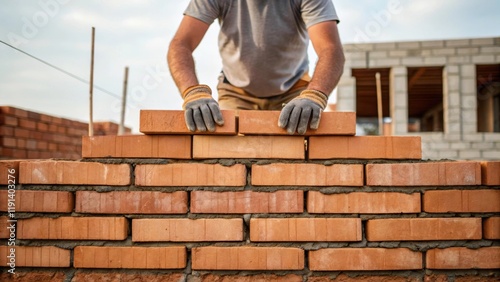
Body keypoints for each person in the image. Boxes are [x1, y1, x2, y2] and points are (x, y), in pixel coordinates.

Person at [167, 0, 344, 135]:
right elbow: (181, 44)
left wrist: (315, 95)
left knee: (294, 159)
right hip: (236, 92)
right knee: (226, 158)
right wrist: (192, 92)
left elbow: (330, 49)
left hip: (294, 95)